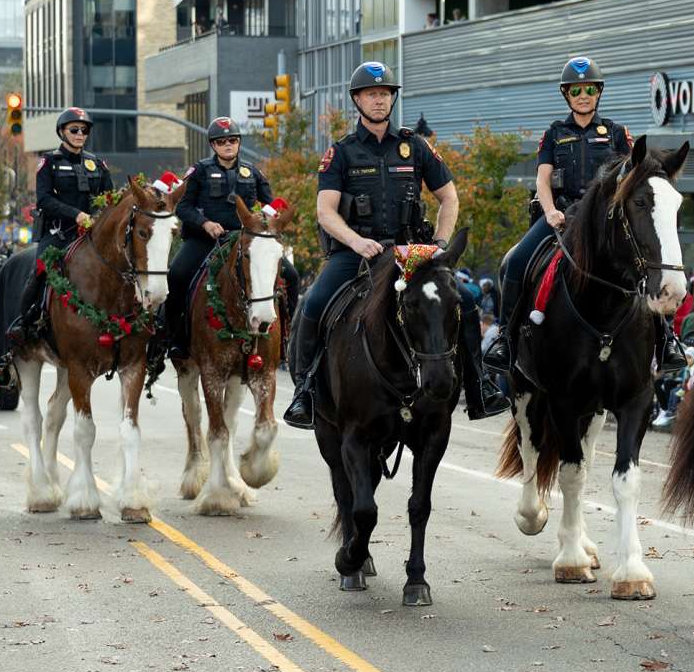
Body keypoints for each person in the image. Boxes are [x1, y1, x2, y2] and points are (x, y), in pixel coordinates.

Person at [283, 61, 507, 428]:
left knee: (464, 300)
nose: (378, 100)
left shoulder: (414, 147)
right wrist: (356, 241)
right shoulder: (340, 152)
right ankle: (305, 392)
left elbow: (449, 198)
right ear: (357, 99)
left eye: (385, 94)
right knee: (314, 302)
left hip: (410, 254)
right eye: (371, 94)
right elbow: (325, 212)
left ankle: (479, 385)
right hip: (357, 255)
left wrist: (439, 243)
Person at [483, 56, 685, 374]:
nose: (583, 95)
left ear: (598, 92)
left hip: (603, 223)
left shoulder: (617, 133)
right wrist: (549, 212)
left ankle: (666, 340)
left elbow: (634, 176)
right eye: (576, 90)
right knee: (516, 260)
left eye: (589, 89)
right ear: (567, 94)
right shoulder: (553, 133)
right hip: (563, 216)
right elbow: (542, 179)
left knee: (643, 266)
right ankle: (505, 339)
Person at [165, 117, 299, 359]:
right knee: (176, 275)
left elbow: (270, 206)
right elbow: (183, 207)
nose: (228, 144)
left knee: (291, 276)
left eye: (233, 140)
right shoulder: (200, 171)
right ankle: (176, 339)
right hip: (206, 240)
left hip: (245, 241)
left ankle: (287, 338)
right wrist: (204, 223)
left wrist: (271, 218)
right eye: (221, 141)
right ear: (213, 145)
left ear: (238, 143)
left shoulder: (253, 172)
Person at [13, 107, 115, 338]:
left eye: (84, 130)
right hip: (59, 232)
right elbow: (45, 199)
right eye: (75, 129)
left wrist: (100, 218)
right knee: (40, 270)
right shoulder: (49, 162)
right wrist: (76, 215)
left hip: (91, 234)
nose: (80, 134)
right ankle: (26, 321)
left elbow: (109, 198)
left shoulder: (97, 164)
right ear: (62, 132)